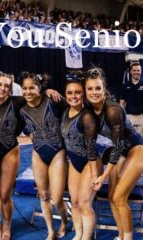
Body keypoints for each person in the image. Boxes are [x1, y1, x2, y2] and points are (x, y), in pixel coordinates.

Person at [0, 72, 62, 240]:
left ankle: (7, 227)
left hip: (11, 149)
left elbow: (35, 96)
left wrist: (47, 91)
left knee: (5, 194)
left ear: (11, 89)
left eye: (6, 86)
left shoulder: (18, 102)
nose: (2, 88)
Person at [84, 67, 143, 240]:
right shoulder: (89, 111)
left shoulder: (113, 110)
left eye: (98, 88)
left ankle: (128, 238)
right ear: (85, 90)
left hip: (137, 149)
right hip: (120, 152)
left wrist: (103, 176)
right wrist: (94, 176)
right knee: (112, 197)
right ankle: (121, 236)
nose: (94, 92)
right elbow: (91, 147)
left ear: (104, 89)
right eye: (90, 88)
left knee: (120, 197)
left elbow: (119, 144)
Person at [19, 73, 68, 240]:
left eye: (32, 87)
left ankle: (64, 222)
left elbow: (72, 110)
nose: (27, 91)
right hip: (38, 152)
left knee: (57, 198)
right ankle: (51, 231)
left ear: (40, 88)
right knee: (44, 195)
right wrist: (29, 133)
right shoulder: (22, 109)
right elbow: (25, 126)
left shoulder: (52, 100)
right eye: (24, 88)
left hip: (57, 151)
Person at [61, 79, 98, 240]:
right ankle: (78, 234)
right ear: (65, 95)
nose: (73, 96)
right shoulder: (65, 111)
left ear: (83, 94)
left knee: (84, 204)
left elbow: (90, 148)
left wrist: (95, 175)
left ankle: (86, 237)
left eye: (77, 92)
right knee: (74, 202)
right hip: (74, 162)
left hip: (90, 163)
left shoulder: (87, 116)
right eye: (70, 93)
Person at [119, 62, 143, 137]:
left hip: (142, 116)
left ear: (141, 71)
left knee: (140, 140)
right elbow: (121, 103)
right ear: (130, 71)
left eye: (138, 70)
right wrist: (123, 117)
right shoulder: (125, 86)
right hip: (129, 116)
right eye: (134, 70)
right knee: (128, 139)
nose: (136, 72)